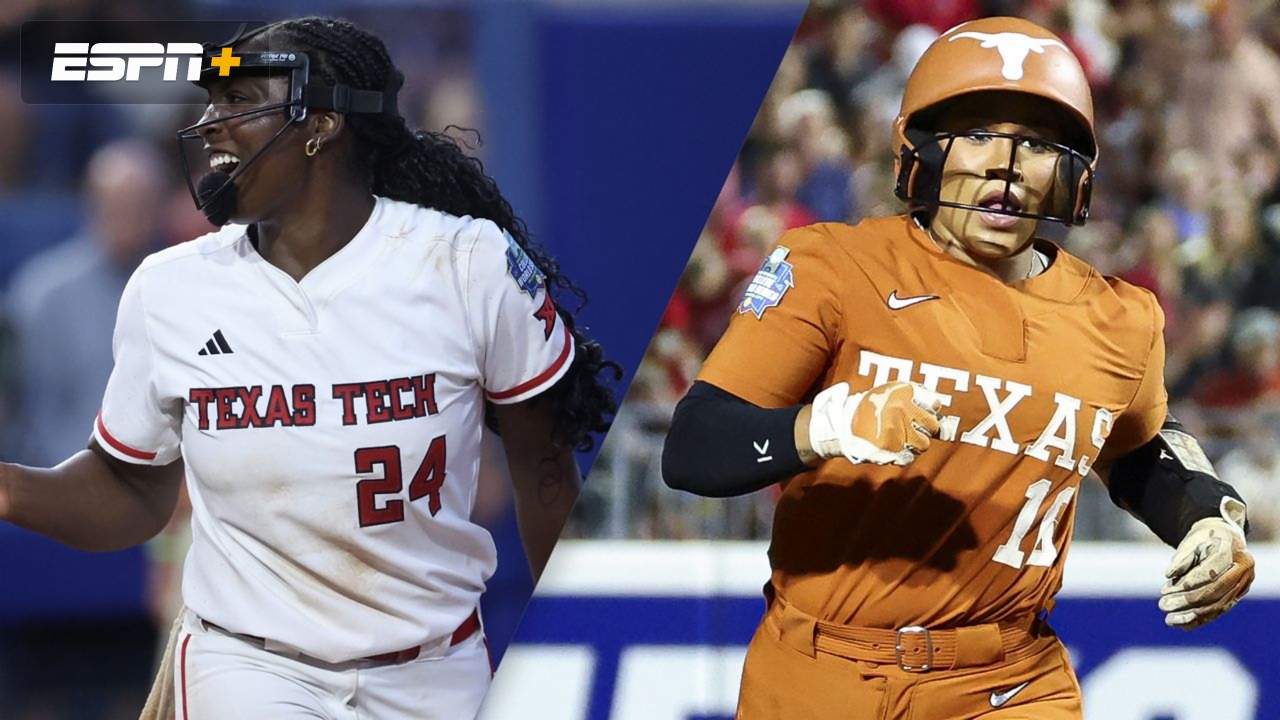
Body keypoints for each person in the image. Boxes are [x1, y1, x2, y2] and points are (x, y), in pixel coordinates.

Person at [0, 16, 616, 720]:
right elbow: (131, 489)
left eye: (238, 103)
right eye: (210, 104)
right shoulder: (168, 288)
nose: (209, 124)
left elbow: (545, 472)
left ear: (320, 125)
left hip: (435, 663)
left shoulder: (466, 262)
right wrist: (12, 491)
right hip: (247, 660)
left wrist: (575, 635)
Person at [662, 17, 1254, 719]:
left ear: (1070, 168)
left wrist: (1211, 516)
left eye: (1034, 142)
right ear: (922, 148)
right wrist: (823, 426)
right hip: (822, 665)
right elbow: (695, 446)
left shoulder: (1121, 319)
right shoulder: (832, 266)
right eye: (977, 133)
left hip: (1007, 678)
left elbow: (1135, 450)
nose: (1005, 164)